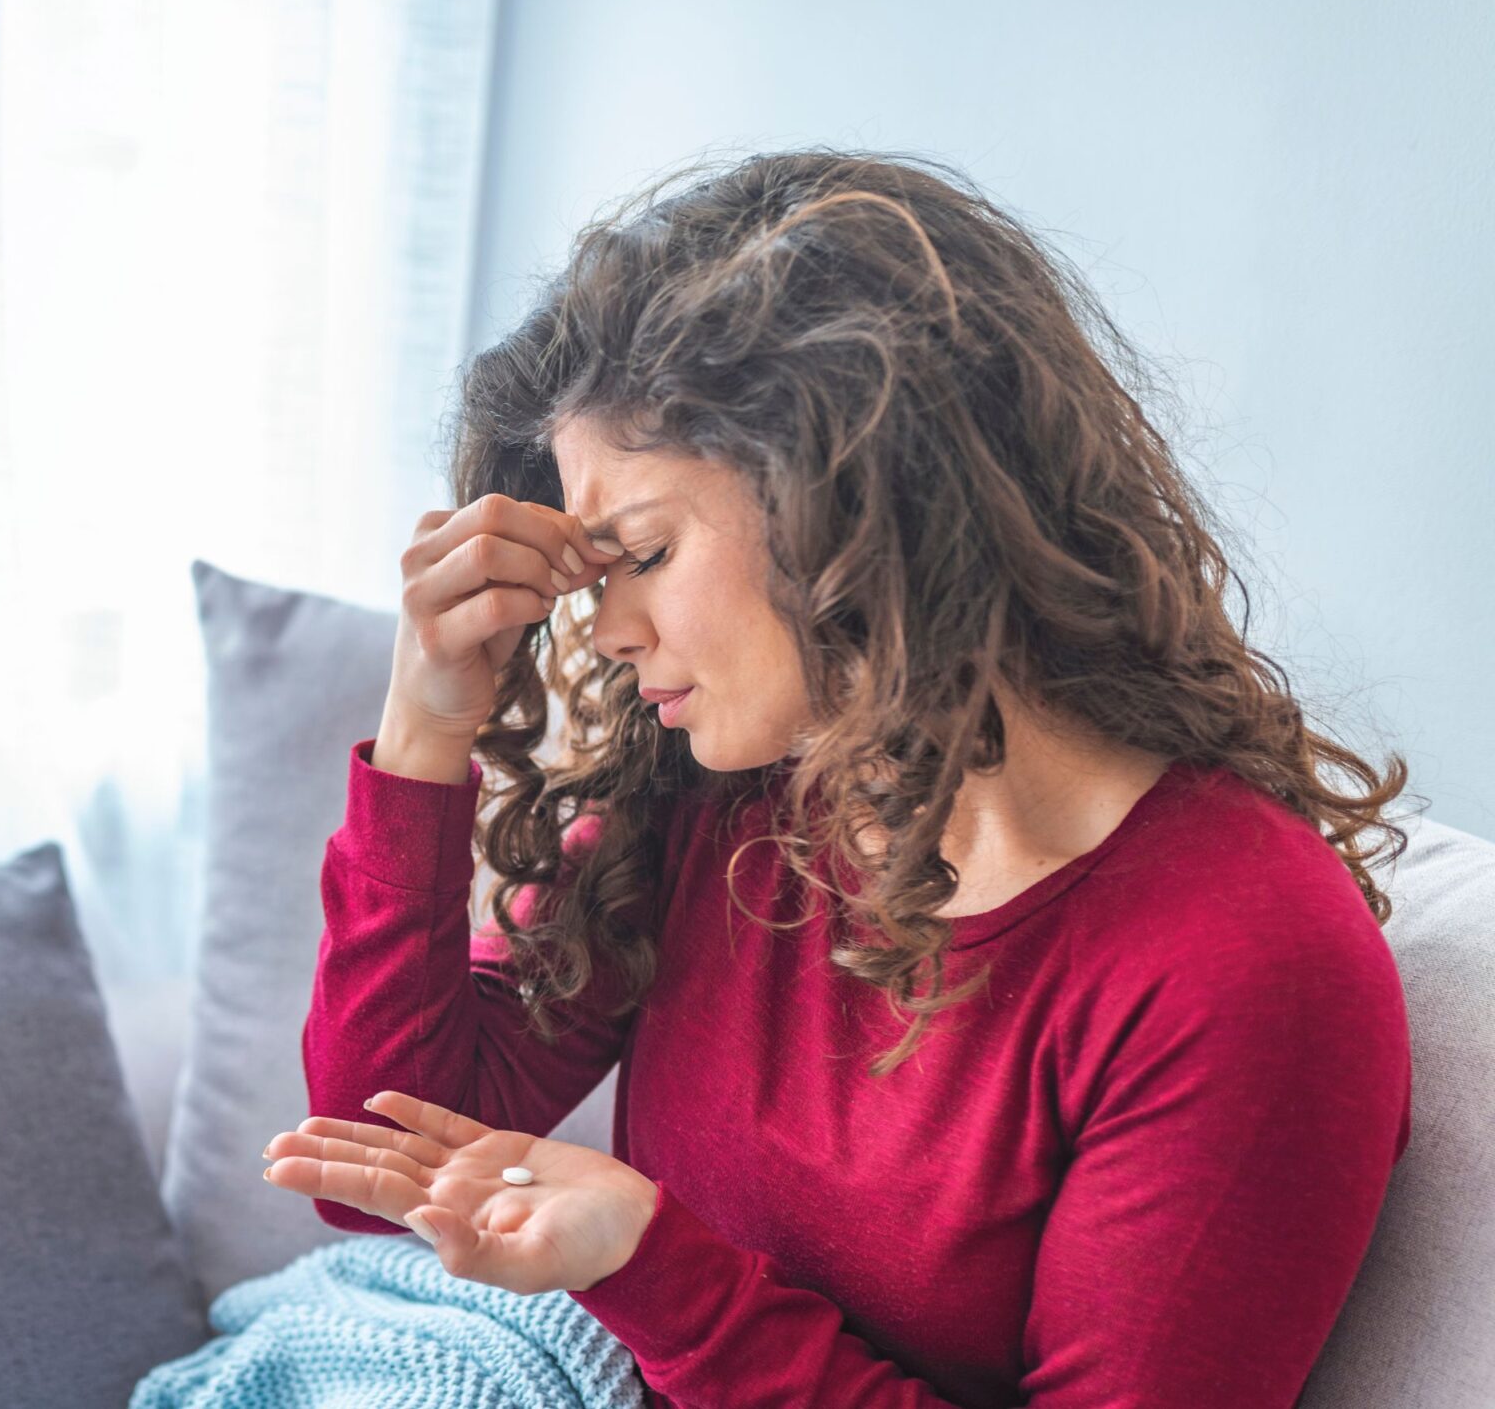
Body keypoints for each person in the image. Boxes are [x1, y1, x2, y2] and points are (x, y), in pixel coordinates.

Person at [257, 149, 1416, 1408]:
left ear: (855, 499)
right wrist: (426, 728)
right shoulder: (731, 798)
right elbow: (376, 1164)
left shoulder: (1236, 961)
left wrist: (654, 1268)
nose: (605, 632)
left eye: (642, 552)